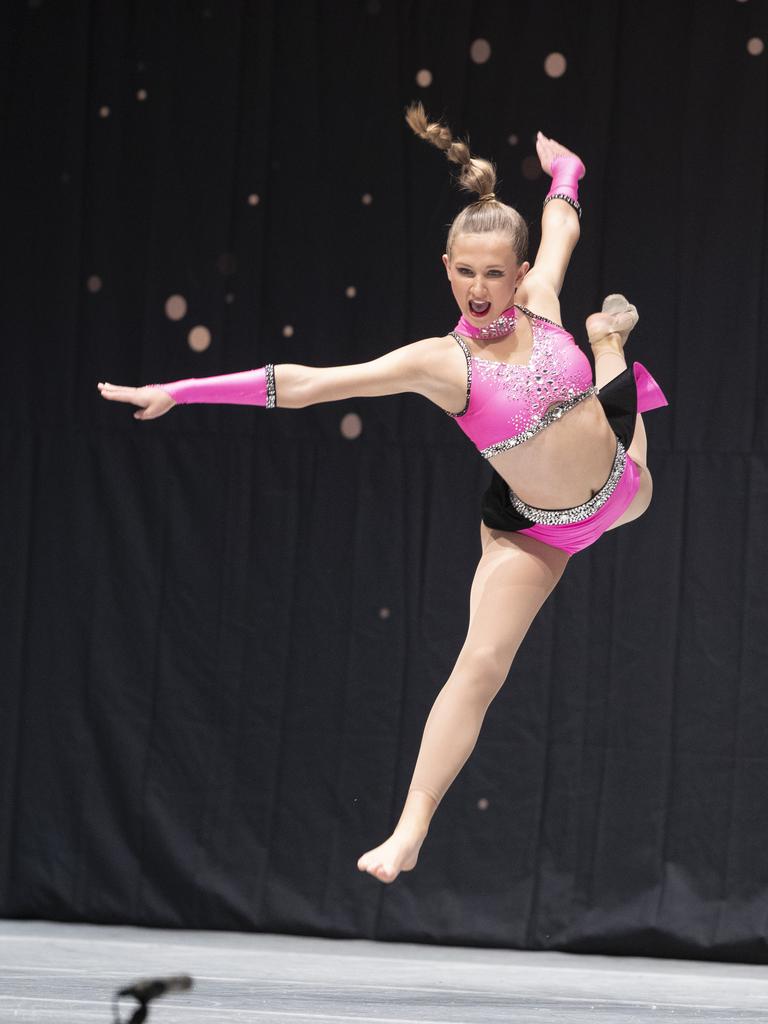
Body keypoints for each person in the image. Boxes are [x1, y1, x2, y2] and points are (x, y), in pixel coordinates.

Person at [97, 102, 668, 885]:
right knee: (481, 663)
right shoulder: (440, 364)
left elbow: (562, 219)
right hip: (536, 529)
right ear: (445, 269)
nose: (478, 288)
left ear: (521, 274)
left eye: (495, 273)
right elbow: (306, 385)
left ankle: (609, 345)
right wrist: (182, 389)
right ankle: (409, 828)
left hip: (619, 486)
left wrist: (565, 168)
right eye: (464, 272)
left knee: (623, 420)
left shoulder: (543, 300)